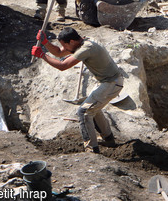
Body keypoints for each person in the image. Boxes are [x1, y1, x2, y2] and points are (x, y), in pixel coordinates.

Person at [32, 26, 124, 154]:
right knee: (93, 108)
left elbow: (63, 66)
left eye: (65, 45)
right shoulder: (80, 43)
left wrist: (42, 55)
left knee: (84, 111)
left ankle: (92, 149)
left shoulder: (87, 48)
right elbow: (59, 52)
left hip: (111, 83)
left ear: (72, 42)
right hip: (108, 82)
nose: (65, 48)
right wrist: (45, 42)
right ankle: (108, 139)